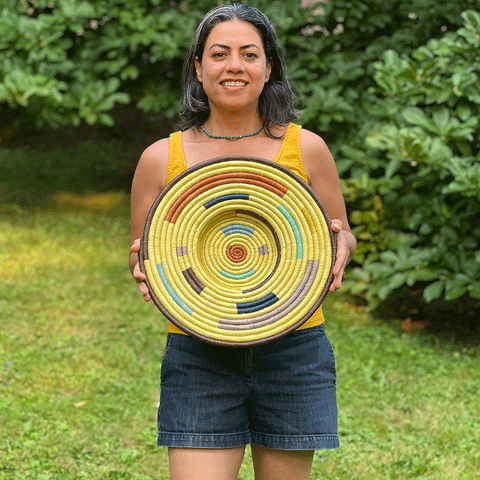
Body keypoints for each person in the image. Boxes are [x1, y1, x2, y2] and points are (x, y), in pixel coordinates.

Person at [129, 3, 356, 479]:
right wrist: (142, 266)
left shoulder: (307, 149)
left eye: (249, 54)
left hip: (294, 347)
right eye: (219, 53)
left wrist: (341, 248)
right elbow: (148, 252)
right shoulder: (159, 158)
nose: (234, 65)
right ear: (198, 66)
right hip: (199, 350)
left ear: (268, 66)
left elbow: (341, 231)